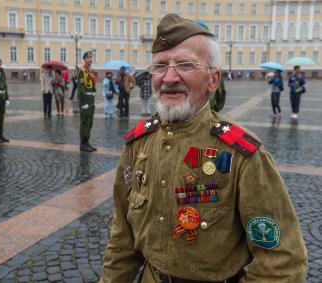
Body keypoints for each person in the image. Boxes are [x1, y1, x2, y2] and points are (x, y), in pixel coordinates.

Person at [100, 14, 307, 283]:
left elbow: (284, 263)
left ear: (213, 80)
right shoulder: (138, 144)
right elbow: (122, 238)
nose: (169, 77)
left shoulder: (241, 155)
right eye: (160, 66)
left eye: (185, 64)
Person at [77, 51, 97, 152]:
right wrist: (83, 103)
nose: (90, 59)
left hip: (91, 100)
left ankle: (87, 141)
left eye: (91, 57)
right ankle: (83, 143)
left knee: (90, 122)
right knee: (84, 122)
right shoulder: (82, 72)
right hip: (85, 101)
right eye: (88, 57)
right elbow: (80, 89)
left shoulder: (91, 71)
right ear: (84, 59)